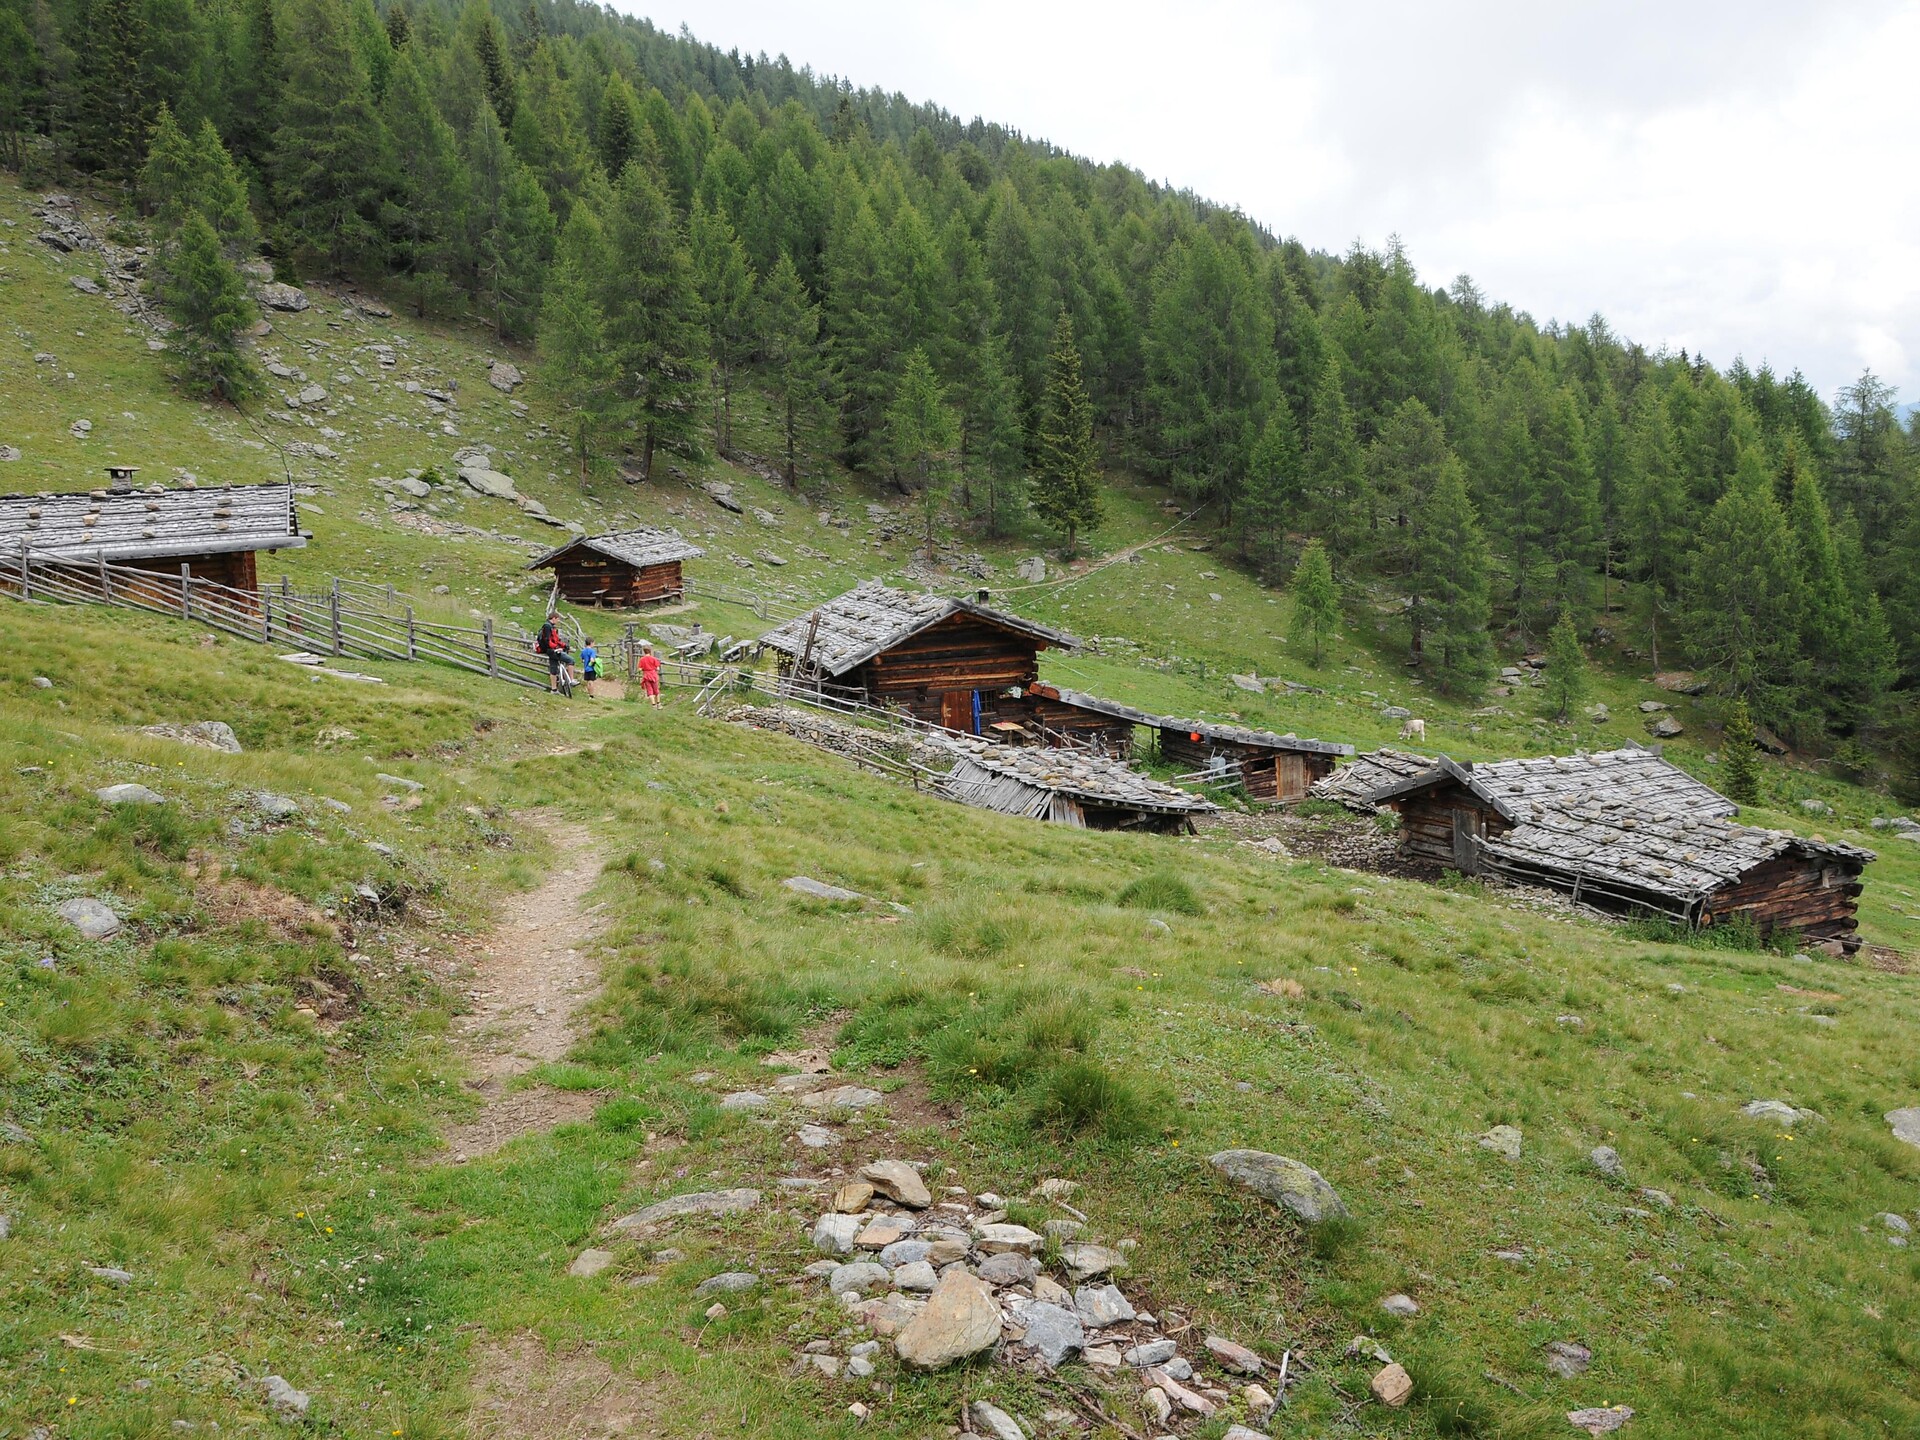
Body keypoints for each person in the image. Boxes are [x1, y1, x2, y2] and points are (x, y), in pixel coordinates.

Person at [535, 611, 571, 693]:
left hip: (550, 650)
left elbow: (556, 640)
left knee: (553, 669)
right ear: (554, 618)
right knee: (570, 660)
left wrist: (563, 645)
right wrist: (556, 647)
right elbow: (548, 641)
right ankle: (571, 680)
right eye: (557, 619)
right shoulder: (548, 627)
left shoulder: (550, 626)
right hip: (551, 650)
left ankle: (554, 689)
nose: (558, 621)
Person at [638, 640, 662, 706]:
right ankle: (658, 703)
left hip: (646, 675)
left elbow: (639, 669)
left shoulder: (642, 659)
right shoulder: (654, 659)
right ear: (650, 651)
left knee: (649, 690)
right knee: (656, 689)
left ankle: (653, 704)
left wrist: (644, 669)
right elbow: (657, 668)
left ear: (644, 651)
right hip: (653, 675)